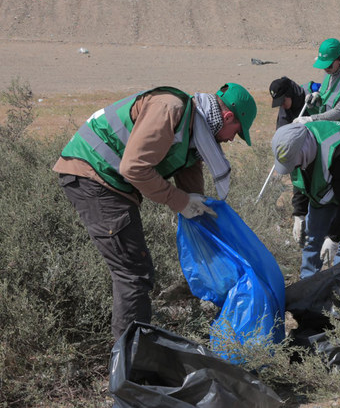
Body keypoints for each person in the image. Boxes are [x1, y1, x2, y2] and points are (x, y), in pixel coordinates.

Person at [53, 84, 257, 339]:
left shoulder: (196, 130)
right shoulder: (170, 109)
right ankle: (128, 363)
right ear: (227, 117)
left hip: (109, 182)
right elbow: (134, 169)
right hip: (93, 175)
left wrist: (205, 220)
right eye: (236, 133)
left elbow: (189, 172)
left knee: (134, 270)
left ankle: (134, 351)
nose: (230, 140)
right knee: (133, 273)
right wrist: (179, 201)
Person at [271, 121, 340, 279]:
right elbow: (300, 181)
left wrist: (334, 238)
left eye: (294, 164)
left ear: (304, 150)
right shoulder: (296, 152)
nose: (293, 168)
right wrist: (299, 214)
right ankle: (308, 286)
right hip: (324, 189)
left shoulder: (335, 150)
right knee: (312, 237)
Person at [269, 76, 320, 247]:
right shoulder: (285, 109)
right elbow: (281, 131)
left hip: (316, 152)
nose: (282, 105)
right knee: (298, 177)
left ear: (290, 94)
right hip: (297, 154)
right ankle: (300, 215)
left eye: (283, 100)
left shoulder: (309, 99)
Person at [293, 38, 340, 139]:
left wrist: (311, 119)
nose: (326, 69)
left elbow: (339, 111)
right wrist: (316, 100)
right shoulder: (330, 74)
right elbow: (327, 101)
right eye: (324, 65)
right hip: (333, 133)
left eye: (329, 65)